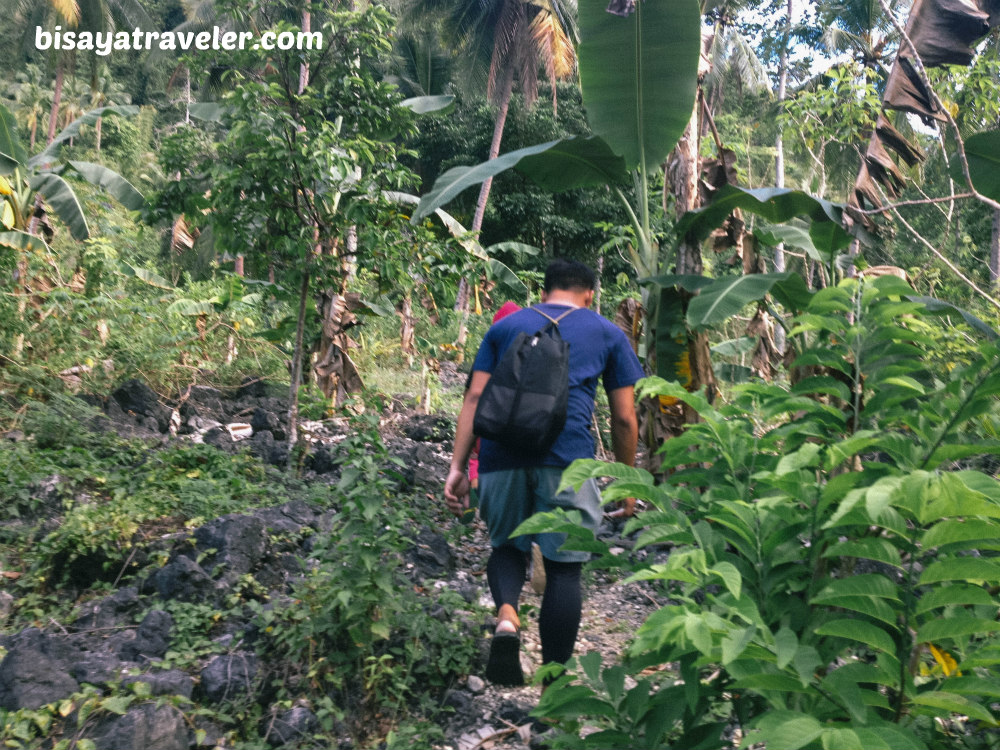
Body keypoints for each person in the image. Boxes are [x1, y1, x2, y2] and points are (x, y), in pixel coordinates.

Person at [444, 258, 643, 687]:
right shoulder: (607, 332)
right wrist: (626, 482)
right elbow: (625, 419)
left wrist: (458, 466)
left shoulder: (503, 328)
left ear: (544, 291)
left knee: (508, 547)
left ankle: (507, 619)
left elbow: (475, 397)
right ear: (590, 293)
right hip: (567, 462)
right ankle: (554, 689)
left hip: (500, 456)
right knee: (565, 568)